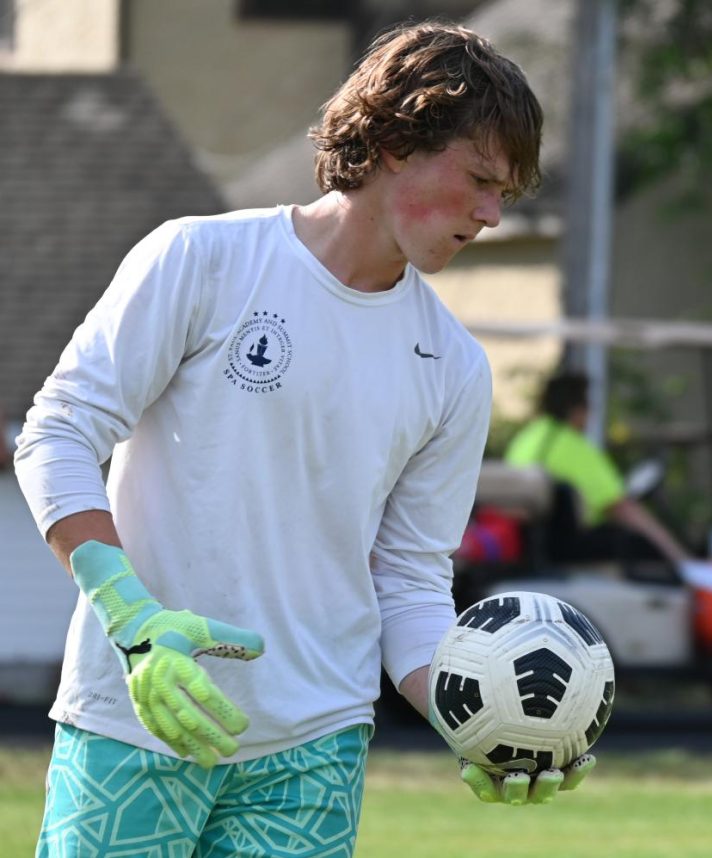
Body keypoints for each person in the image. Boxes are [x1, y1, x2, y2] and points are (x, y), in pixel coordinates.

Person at [15, 22, 589, 857]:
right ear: (396, 140)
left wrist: (482, 720)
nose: (494, 215)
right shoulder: (201, 260)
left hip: (314, 751)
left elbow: (411, 583)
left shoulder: (455, 367)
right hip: (135, 724)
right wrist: (132, 621)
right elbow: (57, 433)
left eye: (505, 194)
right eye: (478, 180)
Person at [505, 372, 692, 564]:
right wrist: (678, 555)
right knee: (643, 546)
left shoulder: (525, 438)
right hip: (565, 551)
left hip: (525, 547)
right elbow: (621, 507)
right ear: (577, 410)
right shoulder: (574, 447)